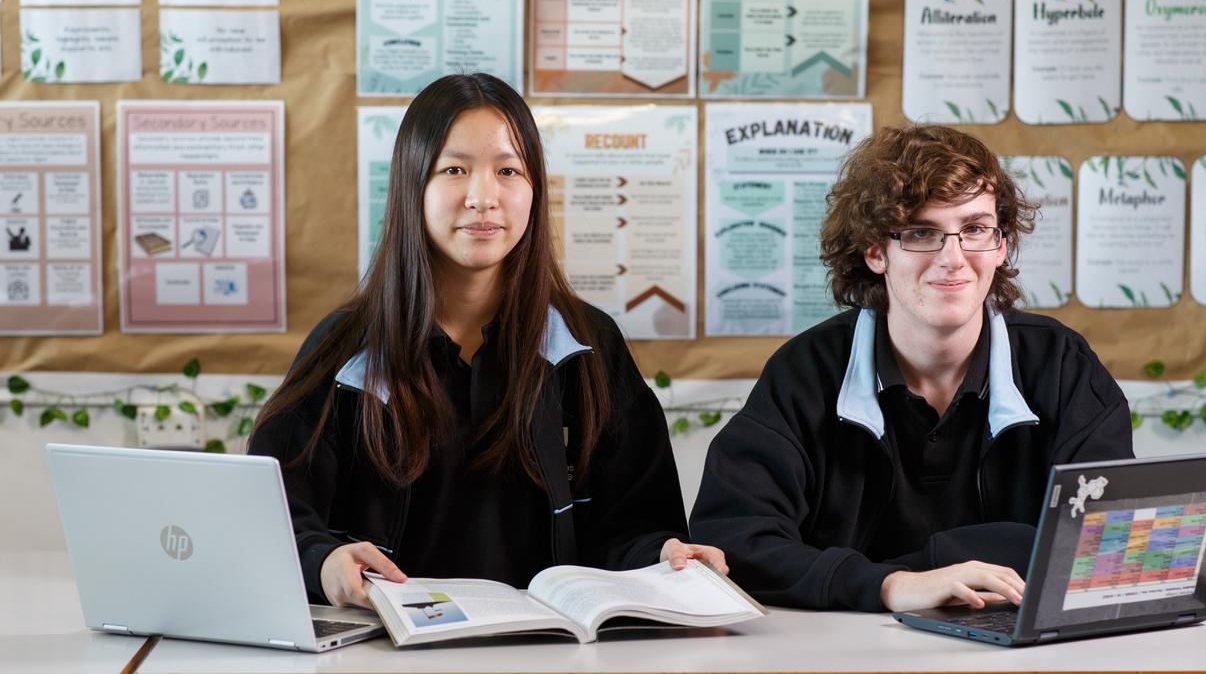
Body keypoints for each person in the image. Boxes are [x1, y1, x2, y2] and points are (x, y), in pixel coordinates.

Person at [250, 73, 724, 609]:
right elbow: (273, 513)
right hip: (384, 647)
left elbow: (633, 522)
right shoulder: (345, 350)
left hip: (551, 649)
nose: (484, 197)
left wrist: (665, 557)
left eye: (508, 171)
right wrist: (323, 561)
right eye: (454, 169)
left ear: (534, 189)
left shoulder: (588, 347)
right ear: (413, 185)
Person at [689, 125, 1133, 613]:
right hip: (847, 651)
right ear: (875, 251)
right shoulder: (806, 372)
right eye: (922, 232)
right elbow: (733, 542)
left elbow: (1107, 537)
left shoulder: (1062, 365)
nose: (953, 258)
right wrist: (893, 584)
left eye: (975, 229)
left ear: (1001, 244)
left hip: (1020, 647)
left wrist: (934, 559)